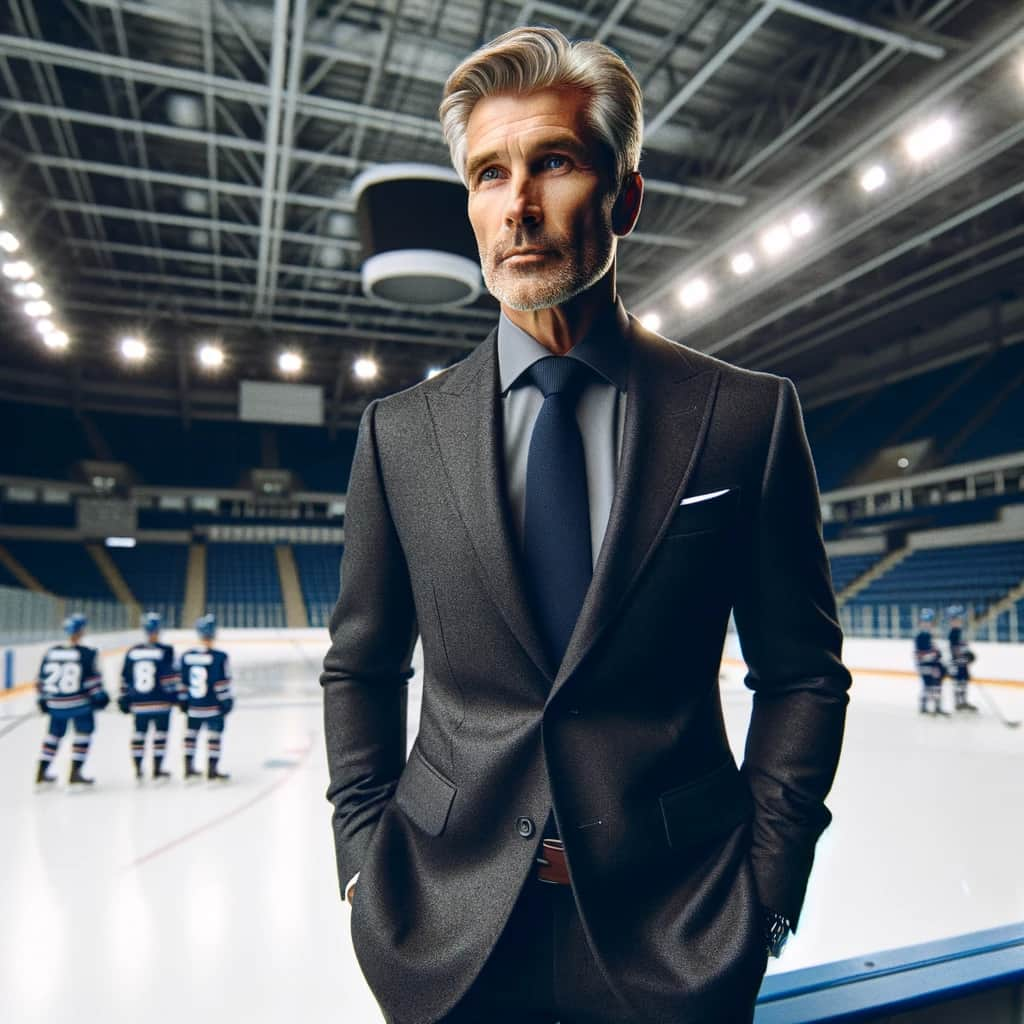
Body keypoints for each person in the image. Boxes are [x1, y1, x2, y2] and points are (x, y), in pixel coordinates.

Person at [321, 26, 851, 1024]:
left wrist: (766, 889)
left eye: (552, 163)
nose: (516, 205)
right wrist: (362, 864)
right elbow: (360, 662)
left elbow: (801, 675)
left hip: (675, 928)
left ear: (627, 196)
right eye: (487, 175)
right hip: (443, 925)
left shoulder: (744, 417)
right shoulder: (399, 434)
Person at [35, 613, 110, 787]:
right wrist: (101, 697)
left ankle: (41, 771)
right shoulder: (88, 654)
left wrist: (42, 699)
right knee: (83, 734)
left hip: (56, 704)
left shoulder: (52, 652)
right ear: (82, 630)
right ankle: (75, 772)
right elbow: (92, 682)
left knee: (53, 737)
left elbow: (41, 680)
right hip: (80, 704)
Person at [118, 611, 181, 780]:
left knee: (139, 734)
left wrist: (125, 697)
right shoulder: (166, 651)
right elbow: (170, 678)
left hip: (139, 703)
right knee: (160, 735)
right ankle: (157, 768)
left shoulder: (133, 651)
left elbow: (126, 677)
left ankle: (138, 768)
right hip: (160, 702)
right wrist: (177, 696)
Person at [179, 614, 233, 782]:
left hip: (194, 706)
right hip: (212, 706)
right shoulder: (219, 657)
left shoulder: (187, 656)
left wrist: (183, 700)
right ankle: (212, 769)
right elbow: (220, 682)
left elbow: (183, 682)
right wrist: (226, 700)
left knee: (190, 736)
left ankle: (188, 768)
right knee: (214, 737)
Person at [914, 608, 948, 716]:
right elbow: (920, 655)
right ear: (920, 624)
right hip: (925, 666)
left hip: (934, 666)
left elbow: (938, 652)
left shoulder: (932, 637)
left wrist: (939, 658)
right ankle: (924, 706)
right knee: (927, 685)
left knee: (937, 686)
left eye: (928, 622)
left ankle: (937, 707)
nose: (926, 624)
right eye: (924, 622)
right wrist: (933, 655)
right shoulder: (920, 637)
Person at [946, 605, 978, 713]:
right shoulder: (953, 634)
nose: (958, 622)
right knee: (959, 683)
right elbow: (955, 650)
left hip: (963, 664)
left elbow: (964, 648)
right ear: (951, 621)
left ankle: (963, 701)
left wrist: (969, 655)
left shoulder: (961, 632)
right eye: (955, 620)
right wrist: (964, 657)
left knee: (964, 682)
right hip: (957, 664)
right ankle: (958, 703)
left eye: (959, 619)